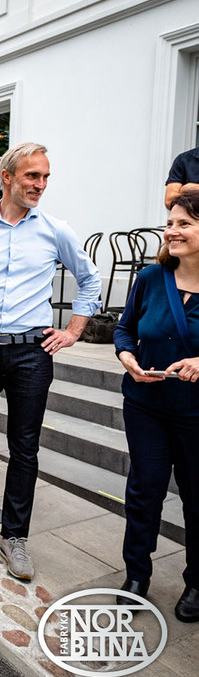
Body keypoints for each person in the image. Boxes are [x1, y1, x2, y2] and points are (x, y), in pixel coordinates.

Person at [0, 142, 102, 580]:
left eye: (45, 177)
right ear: (7, 176)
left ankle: (15, 535)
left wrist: (72, 331)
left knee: (23, 447)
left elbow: (91, 279)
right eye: (33, 176)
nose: (41, 185)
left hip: (31, 352)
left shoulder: (56, 230)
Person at [113, 190, 199, 620]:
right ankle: (136, 574)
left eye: (184, 223)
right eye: (170, 222)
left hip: (195, 413)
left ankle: (197, 581)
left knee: (196, 496)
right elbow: (125, 329)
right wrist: (128, 359)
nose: (172, 231)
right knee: (144, 490)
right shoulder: (150, 277)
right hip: (145, 402)